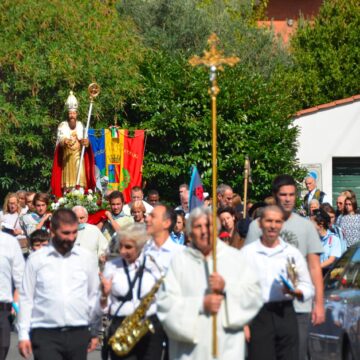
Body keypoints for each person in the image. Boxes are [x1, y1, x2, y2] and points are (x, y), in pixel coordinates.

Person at [157, 207, 263, 360]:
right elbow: (165, 304)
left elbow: (253, 296)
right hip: (189, 352)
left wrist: (226, 288)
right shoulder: (179, 261)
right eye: (198, 226)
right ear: (190, 232)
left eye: (209, 226)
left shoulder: (235, 258)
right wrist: (201, 304)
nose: (204, 231)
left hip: (227, 347)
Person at [246, 175, 325, 360]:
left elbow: (314, 267)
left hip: (298, 307)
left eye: (291, 194)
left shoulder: (306, 226)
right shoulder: (257, 227)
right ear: (275, 196)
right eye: (283, 195)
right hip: (262, 308)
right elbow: (247, 268)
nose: (288, 199)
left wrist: (319, 304)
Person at [18, 208, 99, 360]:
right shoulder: (37, 259)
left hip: (78, 332)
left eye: (74, 232)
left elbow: (93, 295)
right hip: (45, 333)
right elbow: (26, 298)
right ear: (53, 231)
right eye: (66, 233)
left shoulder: (86, 258)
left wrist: (94, 331)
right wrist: (23, 334)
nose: (71, 237)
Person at [242, 206, 314, 360]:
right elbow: (236, 291)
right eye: (269, 221)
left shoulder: (291, 253)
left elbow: (307, 285)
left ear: (282, 225)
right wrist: (243, 324)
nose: (273, 226)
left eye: (277, 222)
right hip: (258, 316)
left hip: (285, 314)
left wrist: (297, 291)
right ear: (260, 224)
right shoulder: (247, 253)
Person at [97, 223, 166, 360]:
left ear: (140, 245)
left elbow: (163, 296)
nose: (122, 251)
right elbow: (102, 307)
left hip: (149, 326)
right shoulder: (112, 266)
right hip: (121, 325)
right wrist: (104, 294)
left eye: (128, 247)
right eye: (121, 246)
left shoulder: (153, 265)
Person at [50, 91, 96, 197]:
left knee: (80, 181)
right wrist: (64, 141)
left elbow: (86, 142)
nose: (72, 115)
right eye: (70, 113)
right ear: (68, 114)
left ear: (77, 114)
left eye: (73, 113)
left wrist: (87, 143)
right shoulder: (63, 125)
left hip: (79, 159)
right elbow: (60, 142)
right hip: (67, 159)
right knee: (68, 184)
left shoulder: (81, 125)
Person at [0, 231, 25, 360]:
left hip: (2, 309)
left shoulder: (9, 242)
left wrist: (16, 305)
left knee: (2, 348)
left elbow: (20, 278)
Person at [144, 204, 183, 273]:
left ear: (166, 223)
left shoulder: (181, 254)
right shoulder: (141, 251)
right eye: (148, 215)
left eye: (153, 216)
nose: (146, 219)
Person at [312, 209, 342, 274]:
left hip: (328, 274)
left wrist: (316, 268)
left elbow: (331, 260)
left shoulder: (334, 239)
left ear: (321, 224)